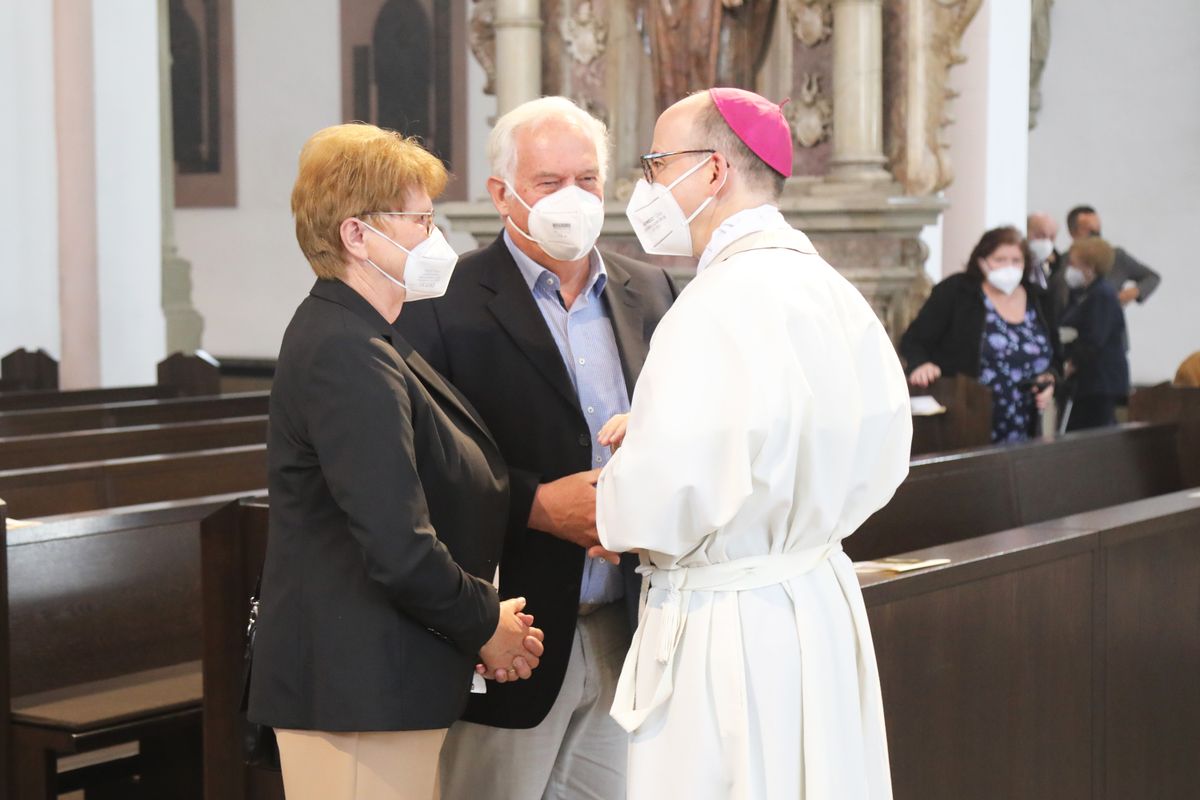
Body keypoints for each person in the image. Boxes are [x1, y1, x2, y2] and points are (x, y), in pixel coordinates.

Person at [594, 87, 912, 799]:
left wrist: (622, 472)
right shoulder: (831, 292)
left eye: (655, 164)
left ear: (712, 171)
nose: (644, 187)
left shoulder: (712, 306)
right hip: (815, 598)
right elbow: (881, 449)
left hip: (727, 629)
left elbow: (657, 501)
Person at [247, 123, 545, 800]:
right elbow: (396, 545)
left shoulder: (373, 337)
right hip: (355, 687)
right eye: (419, 220)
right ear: (357, 235)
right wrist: (485, 620)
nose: (435, 239)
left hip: (385, 680)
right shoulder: (345, 348)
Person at [395, 97, 677, 799]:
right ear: (502, 193)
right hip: (508, 633)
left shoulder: (650, 289)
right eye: (550, 183)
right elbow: (418, 462)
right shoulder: (442, 300)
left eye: (587, 179)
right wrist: (535, 504)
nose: (572, 199)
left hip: (625, 623)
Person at [901, 226, 1061, 442]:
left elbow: (1056, 358)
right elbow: (914, 341)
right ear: (981, 261)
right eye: (1000, 260)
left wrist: (1049, 378)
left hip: (1024, 422)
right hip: (966, 415)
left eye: (1016, 261)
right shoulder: (957, 292)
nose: (1009, 268)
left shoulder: (1038, 298)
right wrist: (921, 364)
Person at [1060, 237, 1130, 430]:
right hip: (1089, 381)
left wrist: (1072, 363)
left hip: (1099, 381)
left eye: (1073, 263)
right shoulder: (1084, 293)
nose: (1069, 268)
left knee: (1089, 432)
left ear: (1089, 267)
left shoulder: (1102, 295)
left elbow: (1094, 339)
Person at [1067, 205, 1161, 307]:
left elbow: (1152, 277)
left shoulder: (1116, 257)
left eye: (1097, 230)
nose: (1095, 236)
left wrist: (1127, 294)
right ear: (1073, 232)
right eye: (1088, 230)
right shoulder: (1062, 262)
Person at [1027, 211, 1068, 313]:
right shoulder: (1016, 265)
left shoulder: (1060, 265)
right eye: (1040, 235)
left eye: (1052, 237)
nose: (1046, 241)